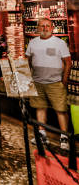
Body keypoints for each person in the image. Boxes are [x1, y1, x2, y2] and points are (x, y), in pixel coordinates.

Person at [27, 17, 71, 150]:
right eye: (42, 26)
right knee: (40, 108)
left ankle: (64, 137)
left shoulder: (59, 43)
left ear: (52, 28)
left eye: (47, 26)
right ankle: (42, 134)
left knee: (61, 110)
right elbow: (28, 61)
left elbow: (68, 62)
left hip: (55, 83)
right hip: (38, 82)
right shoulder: (33, 43)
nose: (45, 28)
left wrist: (64, 80)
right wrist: (29, 78)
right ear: (38, 28)